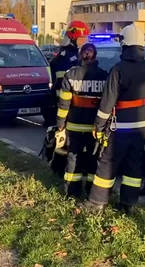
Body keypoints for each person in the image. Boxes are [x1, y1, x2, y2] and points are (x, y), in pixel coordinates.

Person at [85, 24, 145, 213]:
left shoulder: (118, 70)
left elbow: (107, 102)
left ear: (124, 44)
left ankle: (96, 204)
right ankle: (128, 204)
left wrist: (99, 125)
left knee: (107, 164)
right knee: (134, 167)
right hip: (142, 127)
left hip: (119, 127)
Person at [55, 43, 109, 198]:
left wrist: (60, 125)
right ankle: (91, 191)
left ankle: (72, 192)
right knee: (93, 158)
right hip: (95, 128)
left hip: (74, 127)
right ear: (96, 56)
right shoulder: (104, 76)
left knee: (73, 157)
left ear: (80, 55)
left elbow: (64, 104)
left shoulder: (70, 74)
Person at [43, 21, 90, 176]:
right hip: (66, 104)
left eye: (85, 38)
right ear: (73, 37)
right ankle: (58, 168)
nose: (85, 41)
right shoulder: (66, 57)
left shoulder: (75, 54)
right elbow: (64, 84)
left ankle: (65, 166)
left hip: (74, 105)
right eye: (82, 38)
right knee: (65, 139)